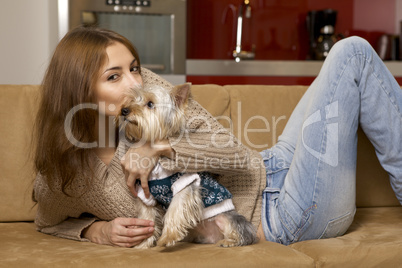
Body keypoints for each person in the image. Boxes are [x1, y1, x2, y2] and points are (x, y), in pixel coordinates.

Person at [33, 26, 402, 247]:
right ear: (79, 92)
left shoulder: (150, 91)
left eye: (134, 67)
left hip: (272, 165)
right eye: (114, 76)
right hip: (286, 213)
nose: (135, 82)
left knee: (350, 52)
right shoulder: (67, 170)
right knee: (352, 52)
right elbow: (47, 221)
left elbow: (237, 155)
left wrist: (158, 148)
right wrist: (94, 230)